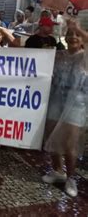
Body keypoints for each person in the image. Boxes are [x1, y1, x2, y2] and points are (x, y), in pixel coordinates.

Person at [42, 19, 87, 197]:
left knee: (70, 144)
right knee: (52, 136)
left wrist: (77, 27)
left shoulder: (85, 56)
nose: (73, 37)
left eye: (76, 35)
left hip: (76, 105)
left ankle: (71, 178)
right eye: (70, 34)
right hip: (56, 101)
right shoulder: (59, 55)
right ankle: (57, 171)